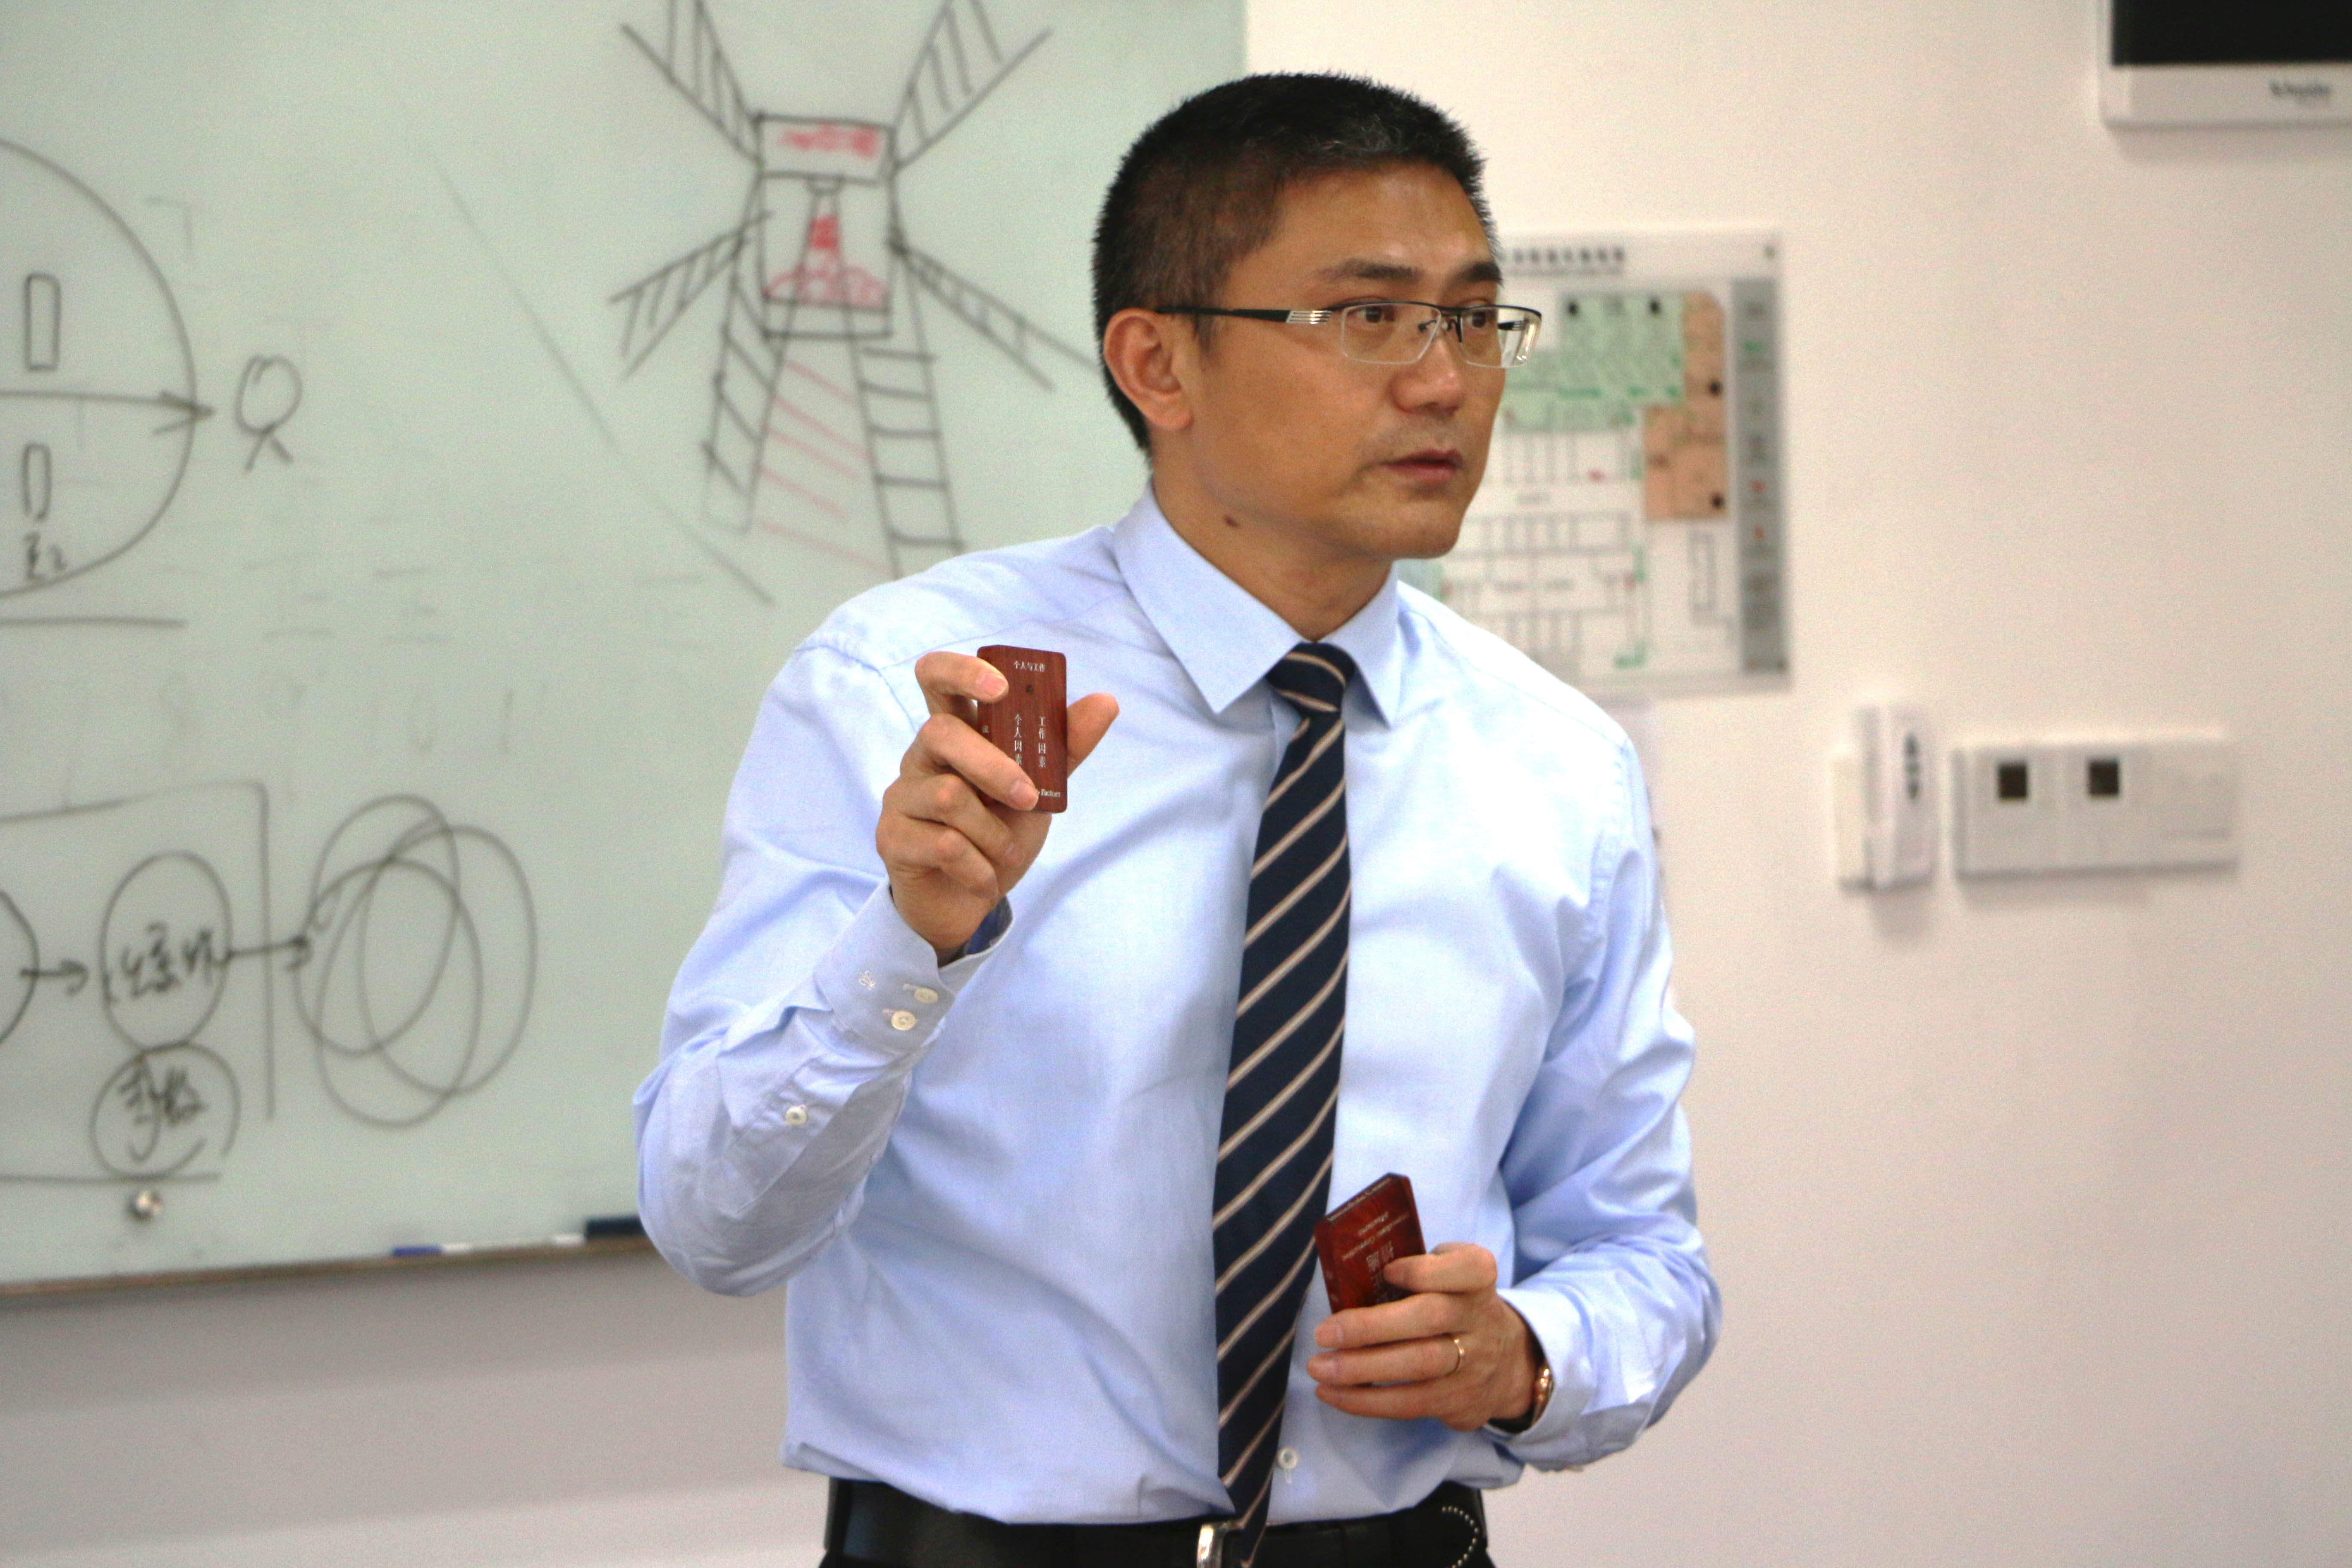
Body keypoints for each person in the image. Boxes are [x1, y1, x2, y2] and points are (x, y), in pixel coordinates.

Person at [637, 72, 1718, 1568]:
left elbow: (1646, 1251)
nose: (1443, 382)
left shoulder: (1555, 764)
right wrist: (909, 944)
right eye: (1370, 316)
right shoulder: (908, 693)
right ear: (1158, 362)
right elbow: (712, 1221)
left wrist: (1531, 1355)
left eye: (1475, 321)